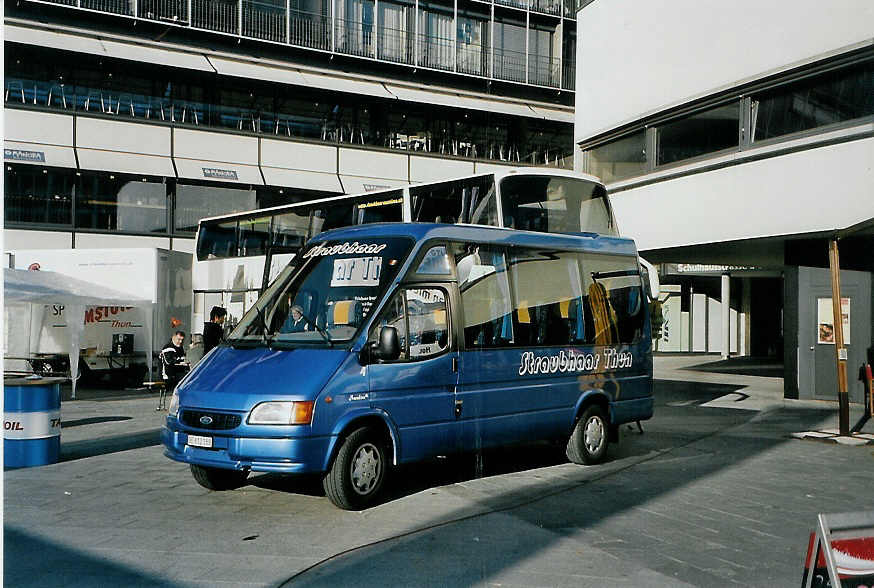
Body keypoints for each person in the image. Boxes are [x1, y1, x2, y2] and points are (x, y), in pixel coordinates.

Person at [159, 330, 189, 409]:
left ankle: (182, 403)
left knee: (188, 378)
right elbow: (168, 362)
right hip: (167, 374)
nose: (180, 341)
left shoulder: (180, 347)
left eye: (182, 340)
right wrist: (181, 362)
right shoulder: (168, 347)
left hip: (177, 372)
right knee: (185, 380)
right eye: (178, 339)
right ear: (173, 337)